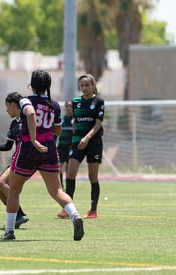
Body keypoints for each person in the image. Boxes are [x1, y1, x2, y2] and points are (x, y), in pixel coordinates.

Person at [0, 69, 84, 241]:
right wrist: (45, 134)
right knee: (57, 190)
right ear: (48, 86)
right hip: (50, 148)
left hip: (28, 148)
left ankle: (9, 231)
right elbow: (57, 130)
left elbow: (30, 113)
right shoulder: (54, 104)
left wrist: (33, 138)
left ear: (32, 84)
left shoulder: (25, 100)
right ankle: (75, 215)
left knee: (14, 189)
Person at [57, 74, 104, 219]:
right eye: (82, 85)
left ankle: (93, 210)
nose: (84, 88)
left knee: (92, 176)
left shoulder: (98, 101)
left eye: (87, 85)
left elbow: (98, 123)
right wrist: (76, 137)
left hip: (93, 142)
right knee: (71, 172)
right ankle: (68, 208)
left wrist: (87, 137)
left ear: (92, 85)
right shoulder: (76, 102)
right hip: (77, 142)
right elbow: (75, 122)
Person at [0, 92, 29, 229]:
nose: (6, 110)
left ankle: (20, 215)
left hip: (26, 159)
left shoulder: (28, 119)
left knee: (1, 183)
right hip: (17, 159)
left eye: (7, 106)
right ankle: (18, 216)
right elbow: (8, 146)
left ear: (13, 104)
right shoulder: (13, 124)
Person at [57, 100, 73, 188]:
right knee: (58, 167)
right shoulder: (62, 120)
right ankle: (61, 188)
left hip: (71, 147)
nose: (68, 108)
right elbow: (56, 133)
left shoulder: (75, 120)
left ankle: (68, 189)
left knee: (69, 170)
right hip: (61, 147)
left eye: (70, 106)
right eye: (67, 106)